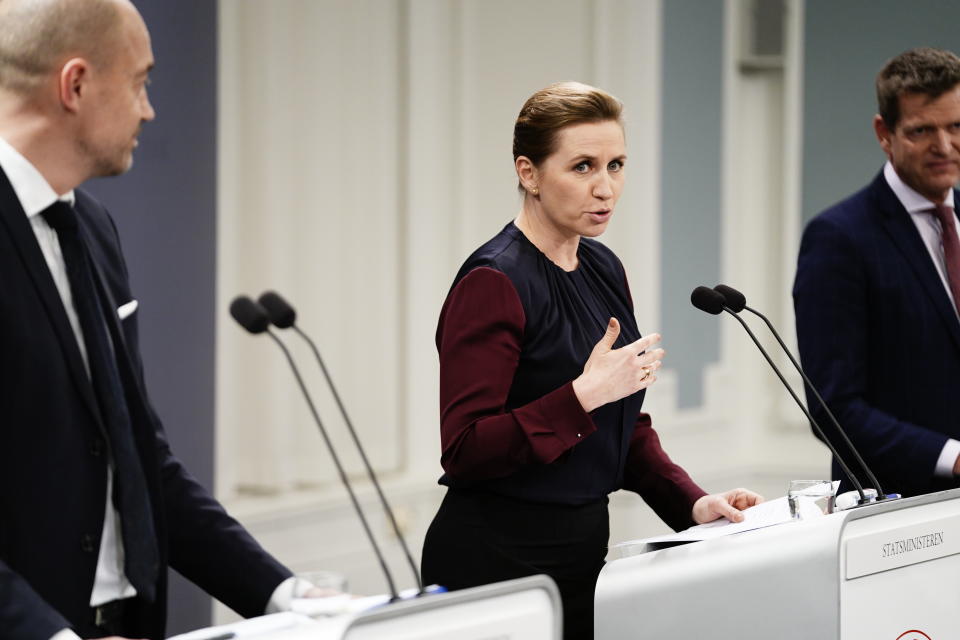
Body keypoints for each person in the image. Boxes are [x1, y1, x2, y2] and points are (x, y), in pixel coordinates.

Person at [0, 1, 313, 638]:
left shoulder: (91, 228)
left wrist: (288, 597)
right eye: (140, 82)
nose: (149, 109)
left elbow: (141, 460)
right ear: (76, 84)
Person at [420, 82, 763, 640]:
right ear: (529, 173)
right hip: (495, 562)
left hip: (582, 554)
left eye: (616, 165)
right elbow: (464, 451)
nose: (606, 188)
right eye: (582, 167)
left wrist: (693, 502)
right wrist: (582, 396)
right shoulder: (494, 280)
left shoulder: (603, 267)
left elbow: (622, 429)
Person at [794, 47, 960, 498]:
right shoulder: (838, 237)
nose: (944, 146)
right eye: (922, 130)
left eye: (956, 126)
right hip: (898, 512)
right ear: (884, 133)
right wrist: (952, 456)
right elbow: (833, 409)